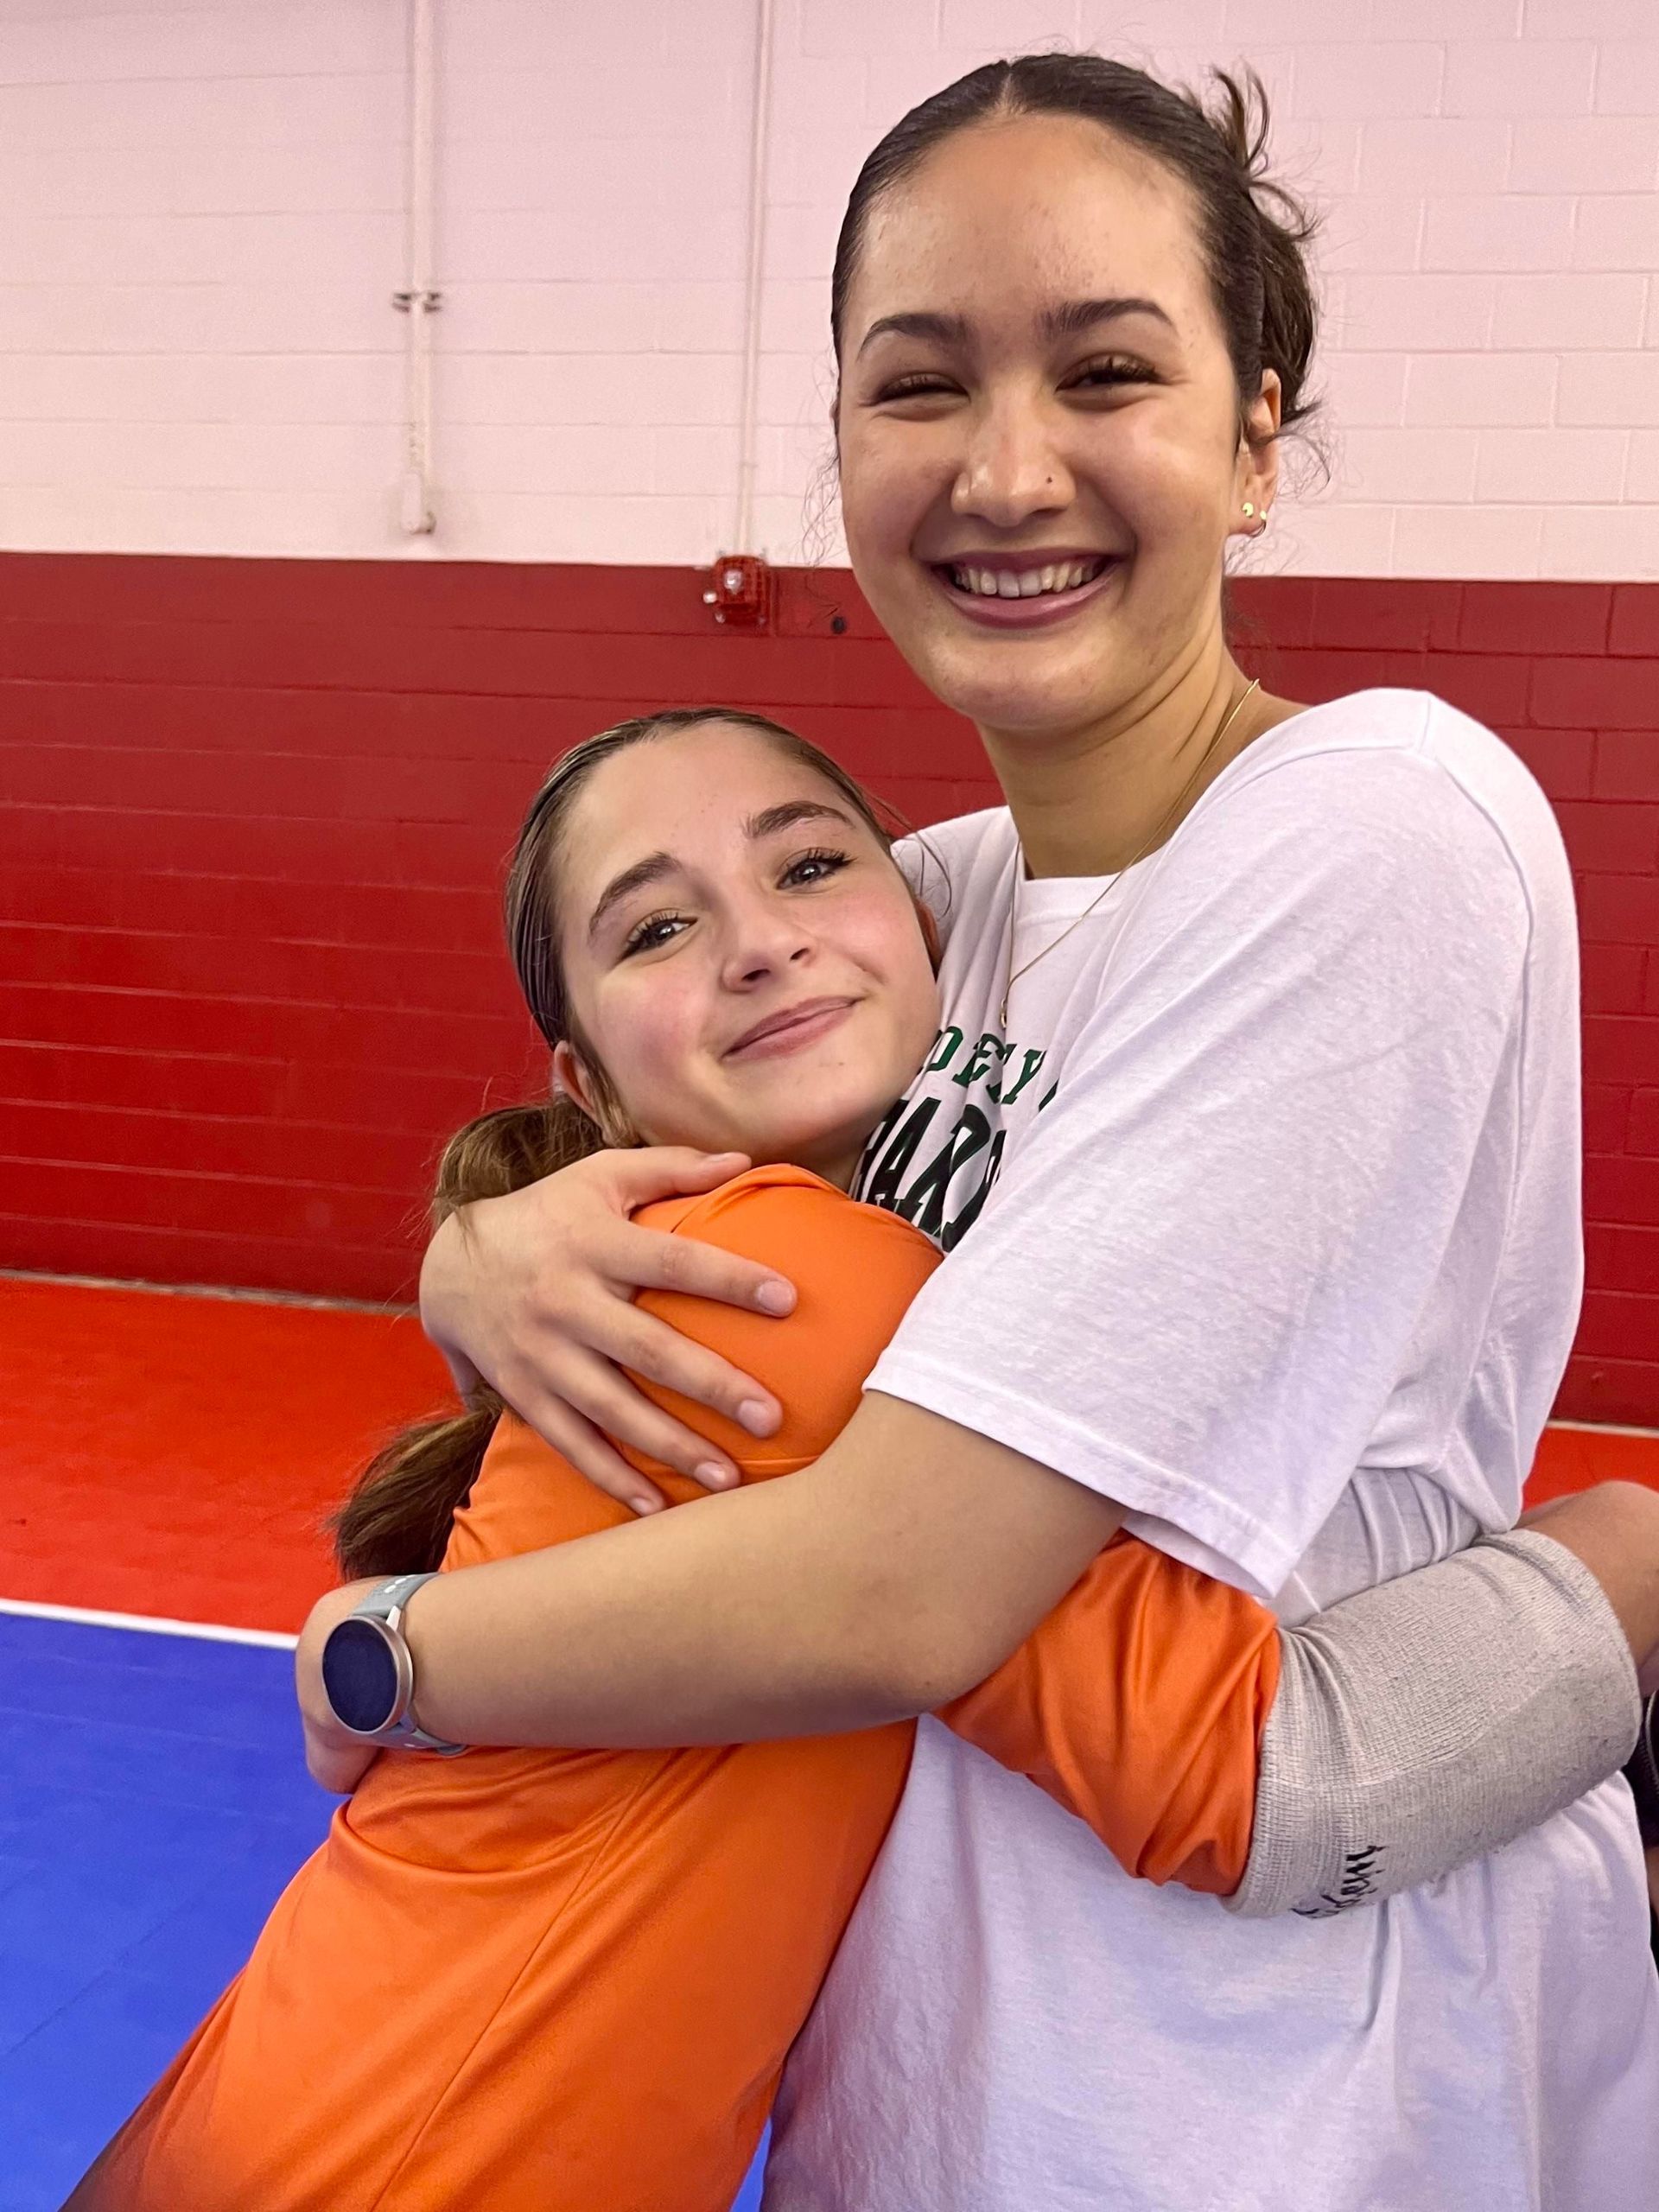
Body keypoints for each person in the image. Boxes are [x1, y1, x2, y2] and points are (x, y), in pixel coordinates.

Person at [296, 58, 1659, 2210]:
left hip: (1278, 2090)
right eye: (918, 388)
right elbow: (653, 1042)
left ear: (1257, 435)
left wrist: (384, 1653)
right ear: (841, 448)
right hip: (923, 2069)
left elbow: (910, 1582)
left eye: (1107, 368)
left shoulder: (1376, 814)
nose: (1008, 470)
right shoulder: (922, 907)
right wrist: (485, 1246)